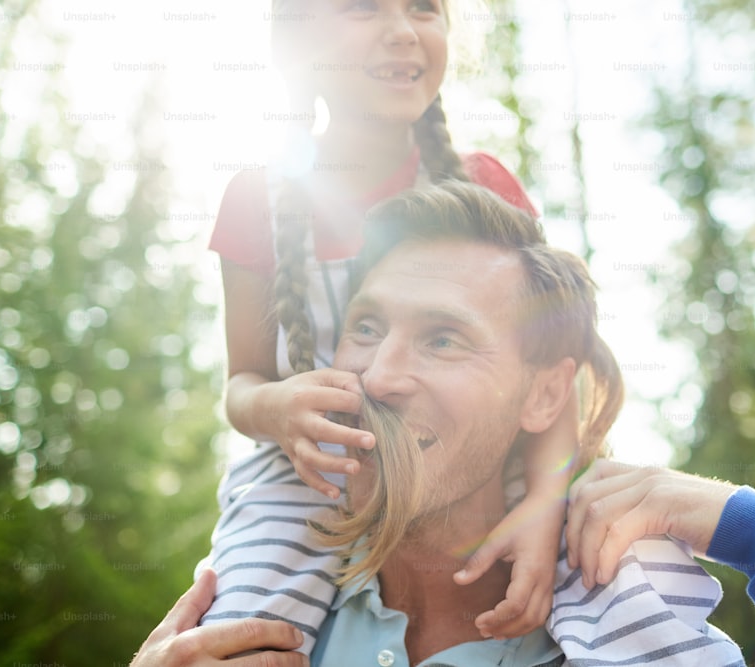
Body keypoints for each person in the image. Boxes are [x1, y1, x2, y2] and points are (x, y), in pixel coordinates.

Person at [134, 182, 755, 666]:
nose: (378, 375)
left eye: (444, 338)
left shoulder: (629, 626)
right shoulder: (251, 615)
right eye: (366, 328)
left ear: (545, 397)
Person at [199, 0, 578, 655]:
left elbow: (549, 369)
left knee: (611, 573)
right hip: (306, 477)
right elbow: (241, 383)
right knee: (244, 638)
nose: (403, 30)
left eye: (424, 8)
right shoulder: (255, 197)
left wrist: (547, 502)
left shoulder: (481, 186)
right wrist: (277, 406)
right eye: (365, 7)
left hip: (476, 466)